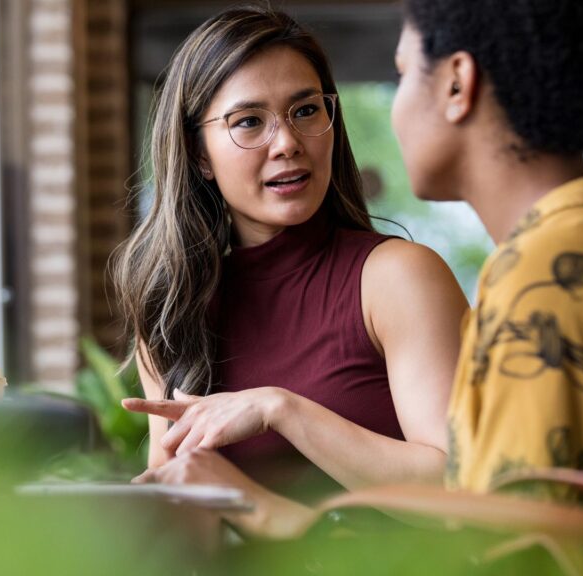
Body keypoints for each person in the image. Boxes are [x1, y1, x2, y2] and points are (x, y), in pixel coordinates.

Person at [112, 6, 468, 538]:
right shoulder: (171, 310)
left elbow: (463, 493)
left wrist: (282, 409)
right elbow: (183, 504)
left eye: (305, 110)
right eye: (249, 121)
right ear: (198, 153)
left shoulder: (396, 278)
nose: (287, 143)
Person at [393, 0, 583, 570]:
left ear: (458, 83)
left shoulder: (545, 278)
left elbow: (504, 555)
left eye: (404, 73)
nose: (398, 106)